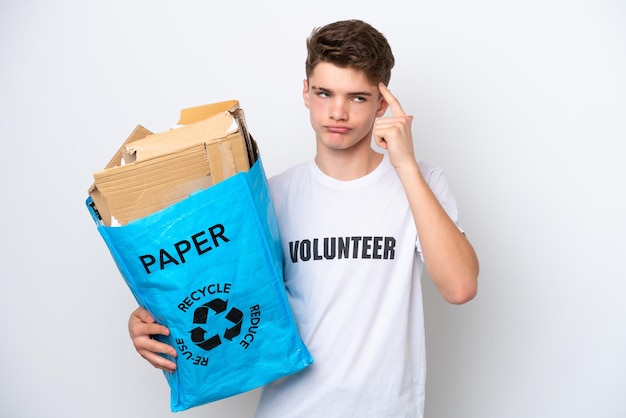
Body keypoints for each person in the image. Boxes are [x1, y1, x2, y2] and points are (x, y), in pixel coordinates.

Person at [128, 19, 479, 418]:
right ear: (305, 92)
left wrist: (406, 166)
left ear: (383, 104)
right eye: (324, 93)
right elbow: (220, 292)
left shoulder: (422, 182)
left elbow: (460, 287)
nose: (338, 112)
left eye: (358, 98)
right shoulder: (271, 196)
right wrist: (150, 321)